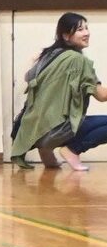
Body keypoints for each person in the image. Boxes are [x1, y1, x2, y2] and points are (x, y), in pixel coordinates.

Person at [10, 13, 107, 171]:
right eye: (80, 30)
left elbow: (29, 77)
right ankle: (73, 150)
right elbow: (102, 95)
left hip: (33, 130)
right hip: (56, 131)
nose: (87, 33)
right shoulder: (78, 60)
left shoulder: (48, 55)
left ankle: (46, 151)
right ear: (66, 36)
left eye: (86, 28)